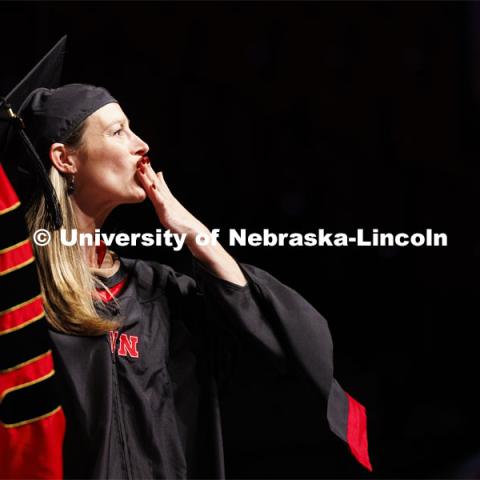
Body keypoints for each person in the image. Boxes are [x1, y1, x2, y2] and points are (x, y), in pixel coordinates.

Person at [7, 81, 372, 478]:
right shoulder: (21, 299)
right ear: (65, 158)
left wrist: (192, 231)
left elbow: (281, 344)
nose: (141, 144)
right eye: (118, 132)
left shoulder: (155, 294)